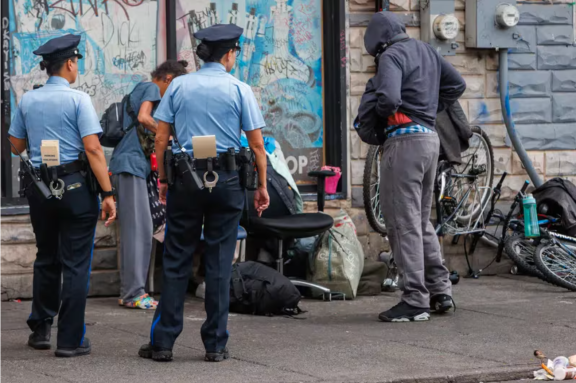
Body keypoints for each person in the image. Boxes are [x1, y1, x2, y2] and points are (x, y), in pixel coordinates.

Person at [138, 24, 270, 362]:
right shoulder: (240, 89)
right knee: (220, 263)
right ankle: (215, 344)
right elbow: (257, 145)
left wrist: (164, 179)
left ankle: (164, 342)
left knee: (176, 258)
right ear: (228, 54)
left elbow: (162, 138)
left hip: (186, 180)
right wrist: (262, 186)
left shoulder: (179, 85)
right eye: (235, 53)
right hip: (227, 181)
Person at [8, 34, 116, 357]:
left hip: (40, 191)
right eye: (77, 61)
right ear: (70, 63)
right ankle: (70, 340)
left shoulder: (28, 100)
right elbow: (94, 149)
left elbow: (15, 144)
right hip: (76, 190)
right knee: (76, 263)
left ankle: (41, 329)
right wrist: (108, 193)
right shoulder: (79, 100)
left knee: (46, 257)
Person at [361, 12, 466, 322]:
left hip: (404, 144)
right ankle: (440, 291)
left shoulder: (391, 55)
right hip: (430, 141)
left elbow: (390, 98)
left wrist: (386, 113)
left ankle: (414, 300)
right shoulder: (425, 49)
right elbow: (457, 84)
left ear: (377, 41)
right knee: (420, 222)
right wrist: (429, 111)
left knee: (403, 224)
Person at [109, 60, 189, 310]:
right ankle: (133, 293)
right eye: (173, 85)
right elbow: (144, 117)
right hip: (129, 165)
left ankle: (131, 292)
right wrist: (168, 134)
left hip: (133, 166)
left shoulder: (144, 90)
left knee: (141, 228)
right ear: (166, 78)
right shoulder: (151, 88)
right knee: (138, 231)